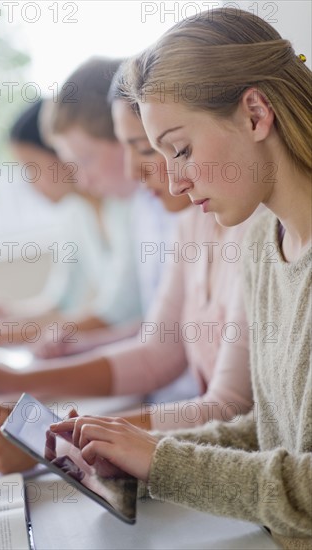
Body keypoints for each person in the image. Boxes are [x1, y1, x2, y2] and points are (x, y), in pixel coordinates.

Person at [47, 9, 311, 547]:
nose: (174, 180)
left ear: (256, 114)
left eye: (181, 150)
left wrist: (161, 460)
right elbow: (267, 434)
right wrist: (133, 457)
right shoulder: (265, 245)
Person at [0, 57, 258, 472]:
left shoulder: (250, 229)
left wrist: (54, 440)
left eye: (154, 149)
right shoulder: (190, 221)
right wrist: (15, 383)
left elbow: (228, 410)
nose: (136, 170)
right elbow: (158, 350)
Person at [0, 59, 143, 348]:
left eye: (33, 167)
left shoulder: (130, 203)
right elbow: (61, 301)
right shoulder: (75, 216)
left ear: (62, 156)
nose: (30, 183)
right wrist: (6, 313)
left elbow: (114, 313)